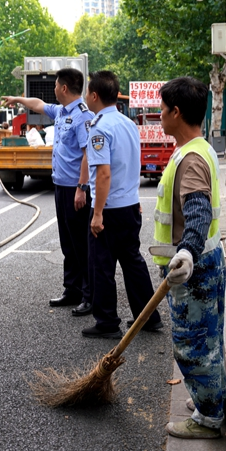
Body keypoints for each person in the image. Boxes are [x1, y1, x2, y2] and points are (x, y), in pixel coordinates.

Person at [153, 77, 226, 439]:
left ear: (176, 112)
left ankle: (209, 418)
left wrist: (186, 251)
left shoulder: (192, 158)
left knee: (194, 344)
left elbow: (197, 213)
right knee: (210, 338)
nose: (159, 115)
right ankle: (210, 399)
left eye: (161, 110)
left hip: (192, 269)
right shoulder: (199, 148)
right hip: (207, 260)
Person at [1, 68, 94, 315]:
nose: (53, 89)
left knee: (81, 244)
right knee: (67, 241)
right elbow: (39, 104)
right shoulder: (62, 111)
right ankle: (72, 289)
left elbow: (87, 154)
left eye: (55, 85)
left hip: (76, 189)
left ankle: (89, 295)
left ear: (64, 88)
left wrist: (82, 188)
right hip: (61, 187)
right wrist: (18, 99)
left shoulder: (83, 116)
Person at [83, 70, 162, 339]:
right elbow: (132, 166)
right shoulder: (129, 124)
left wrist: (97, 214)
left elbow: (103, 173)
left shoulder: (99, 127)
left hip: (110, 208)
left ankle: (107, 323)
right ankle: (148, 317)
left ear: (94, 95)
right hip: (130, 206)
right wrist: (135, 198)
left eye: (87, 93)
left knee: (101, 266)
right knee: (132, 261)